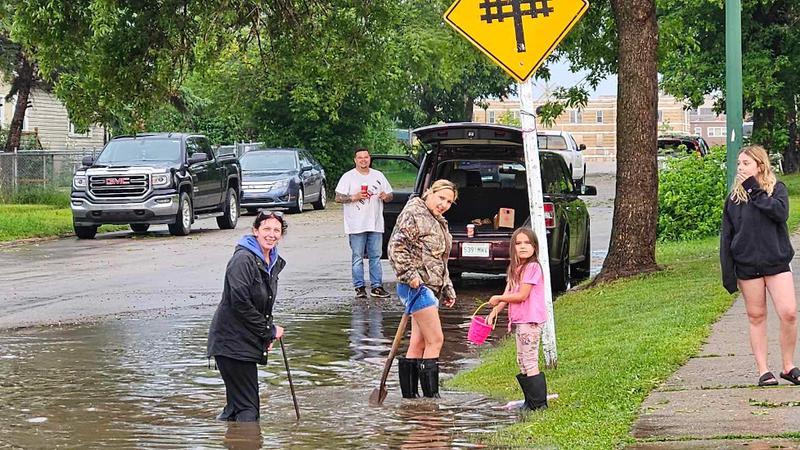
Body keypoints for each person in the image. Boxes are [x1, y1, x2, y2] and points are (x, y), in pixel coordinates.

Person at [721, 145, 798, 387]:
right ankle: (764, 370)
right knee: (756, 316)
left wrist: (754, 188)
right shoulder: (734, 199)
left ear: (760, 166)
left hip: (776, 261)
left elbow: (779, 213)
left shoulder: (776, 190)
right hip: (747, 266)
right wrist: (728, 273)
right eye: (739, 164)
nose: (740, 168)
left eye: (746, 163)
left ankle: (788, 366)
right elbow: (727, 238)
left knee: (788, 313)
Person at [207, 211, 288, 421]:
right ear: (255, 231)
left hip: (243, 341)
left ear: (281, 234)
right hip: (231, 343)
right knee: (248, 410)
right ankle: (248, 437)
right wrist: (269, 330)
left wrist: (266, 336)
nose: (271, 234)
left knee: (236, 408)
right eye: (266, 229)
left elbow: (262, 304)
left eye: (276, 230)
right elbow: (240, 303)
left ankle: (228, 435)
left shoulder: (270, 260)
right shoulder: (243, 260)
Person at [388, 179, 458, 398]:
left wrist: (447, 287)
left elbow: (440, 259)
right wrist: (410, 275)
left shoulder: (438, 220)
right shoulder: (414, 213)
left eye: (449, 201)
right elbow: (396, 247)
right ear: (429, 193)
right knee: (436, 340)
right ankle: (431, 399)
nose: (444, 204)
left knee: (418, 343)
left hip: (431, 287)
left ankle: (411, 399)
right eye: (441, 198)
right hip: (417, 287)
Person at [485, 227, 548, 410]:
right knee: (521, 360)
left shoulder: (533, 267)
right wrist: (494, 312)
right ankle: (530, 401)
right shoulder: (515, 268)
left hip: (531, 321)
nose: (523, 246)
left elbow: (521, 295)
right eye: (518, 243)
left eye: (527, 243)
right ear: (512, 247)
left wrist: (498, 298)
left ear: (535, 247)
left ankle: (538, 404)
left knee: (529, 360)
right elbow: (509, 292)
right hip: (521, 321)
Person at [335, 147, 394, 299]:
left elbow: (390, 195)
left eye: (366, 157)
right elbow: (338, 198)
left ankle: (377, 287)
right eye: (360, 158)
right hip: (356, 224)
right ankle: (359, 287)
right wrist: (353, 197)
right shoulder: (348, 177)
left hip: (375, 223)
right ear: (355, 160)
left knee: (376, 256)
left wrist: (385, 196)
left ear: (369, 159)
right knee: (357, 257)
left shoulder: (378, 175)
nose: (363, 160)